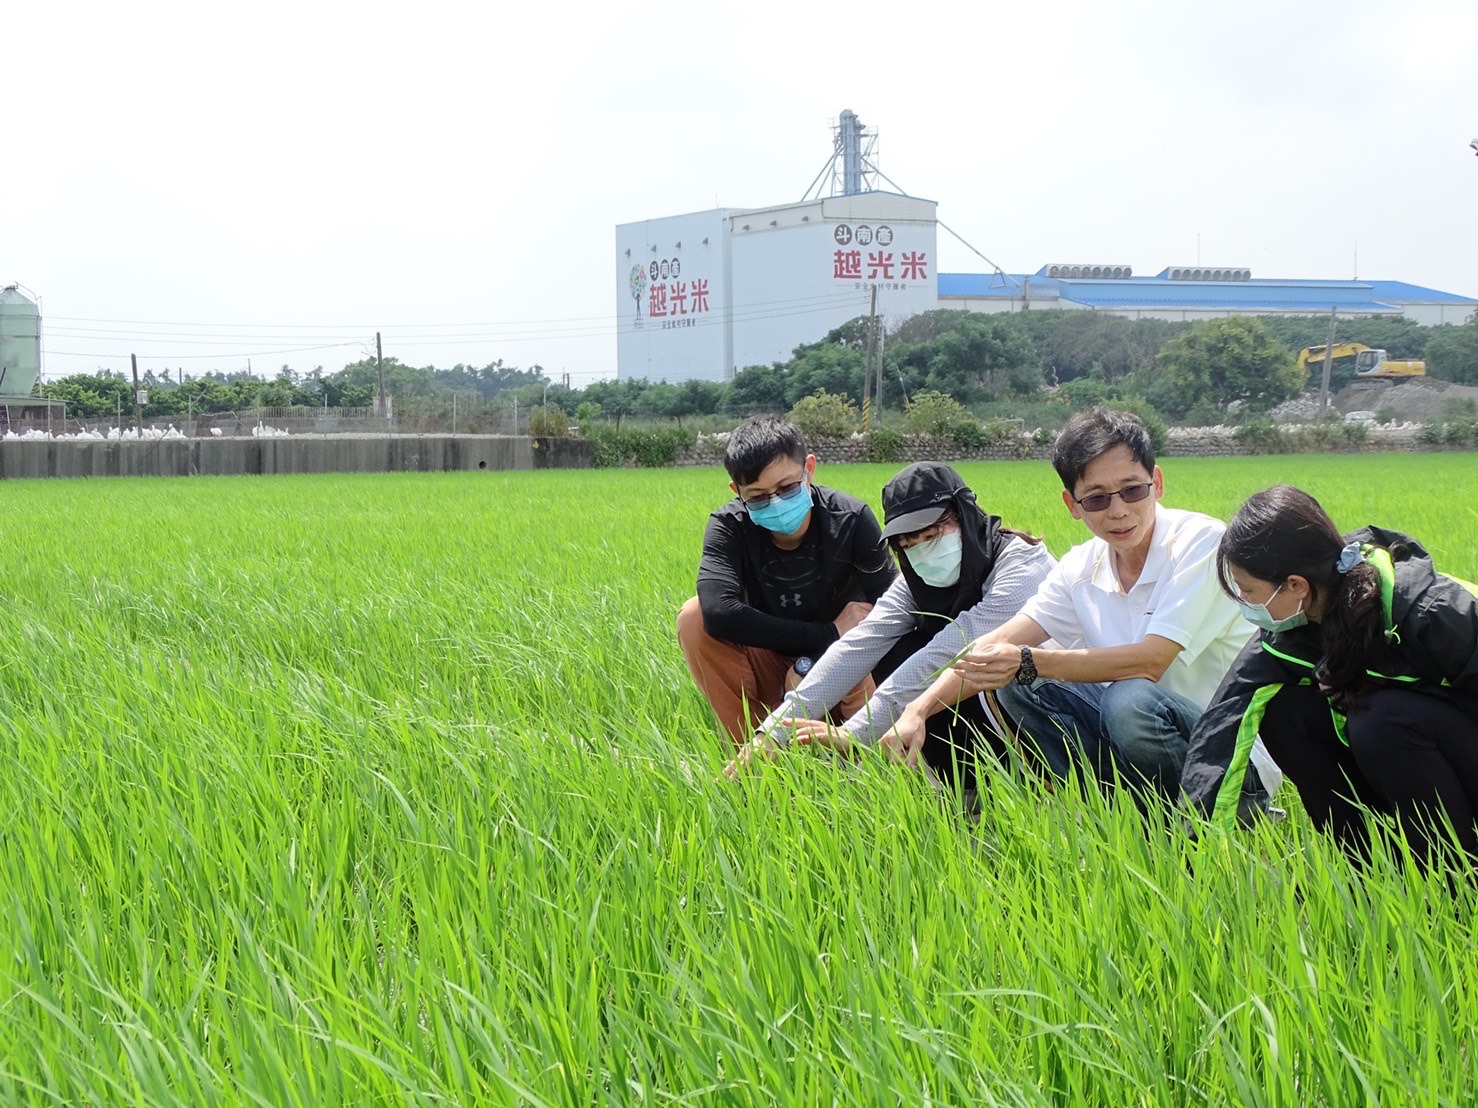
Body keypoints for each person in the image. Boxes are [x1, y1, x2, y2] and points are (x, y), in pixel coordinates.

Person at [886, 408, 1279, 809]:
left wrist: (1030, 661)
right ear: (1072, 505)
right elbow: (995, 645)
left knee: (1129, 700)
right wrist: (918, 709)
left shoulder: (1200, 543)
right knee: (1019, 684)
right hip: (1137, 741)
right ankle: (1114, 814)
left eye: (1132, 490)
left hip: (1226, 759)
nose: (1118, 510)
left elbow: (1151, 662)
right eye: (1096, 499)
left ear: (1156, 482)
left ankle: (1203, 823)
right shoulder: (1081, 567)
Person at [1181, 485, 1478, 865]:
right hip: (1422, 761)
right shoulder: (1290, 633)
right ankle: (1369, 871)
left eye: (1248, 590)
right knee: (1283, 710)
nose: (1244, 602)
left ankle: (1454, 875)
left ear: (1295, 585)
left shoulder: (1429, 611)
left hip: (1457, 751)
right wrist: (1196, 848)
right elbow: (1223, 721)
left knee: (1381, 718)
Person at [729, 461, 1056, 784]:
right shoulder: (917, 581)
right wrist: (774, 731)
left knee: (966, 665)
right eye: (909, 545)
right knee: (895, 650)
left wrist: (855, 734)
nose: (923, 554)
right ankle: (964, 793)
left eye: (931, 535)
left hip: (1060, 705)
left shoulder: (1021, 567)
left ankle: (1043, 784)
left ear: (966, 516)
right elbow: (860, 644)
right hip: (991, 701)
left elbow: (952, 651)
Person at [677, 416, 897, 744]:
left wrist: (828, 653)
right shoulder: (729, 527)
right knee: (693, 618)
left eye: (787, 488)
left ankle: (865, 751)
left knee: (856, 643)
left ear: (809, 468)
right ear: (737, 492)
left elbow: (894, 607)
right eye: (758, 497)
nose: (776, 503)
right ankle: (753, 753)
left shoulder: (849, 520)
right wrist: (828, 634)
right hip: (781, 660)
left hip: (845, 666)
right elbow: (718, 612)